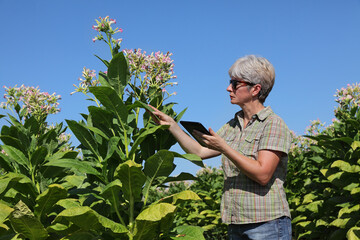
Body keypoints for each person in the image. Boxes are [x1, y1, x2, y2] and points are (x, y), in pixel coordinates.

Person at [149, 55, 292, 240]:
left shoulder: (273, 124)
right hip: (236, 223)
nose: (228, 88)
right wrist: (172, 126)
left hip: (267, 224)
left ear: (255, 89)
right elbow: (199, 152)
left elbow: (263, 174)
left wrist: (224, 147)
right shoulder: (233, 124)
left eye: (235, 83)